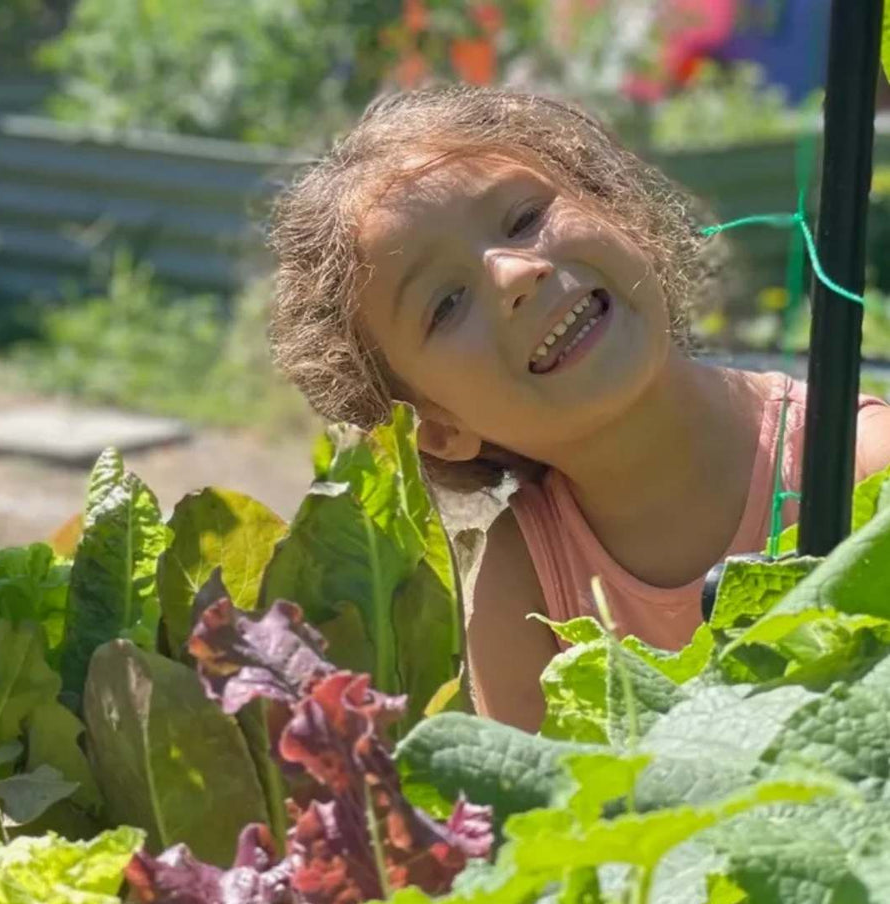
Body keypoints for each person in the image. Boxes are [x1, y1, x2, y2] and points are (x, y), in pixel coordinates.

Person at [266, 87, 890, 733]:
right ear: (438, 429)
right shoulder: (523, 586)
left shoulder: (862, 463)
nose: (515, 273)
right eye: (447, 303)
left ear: (620, 213)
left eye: (524, 218)